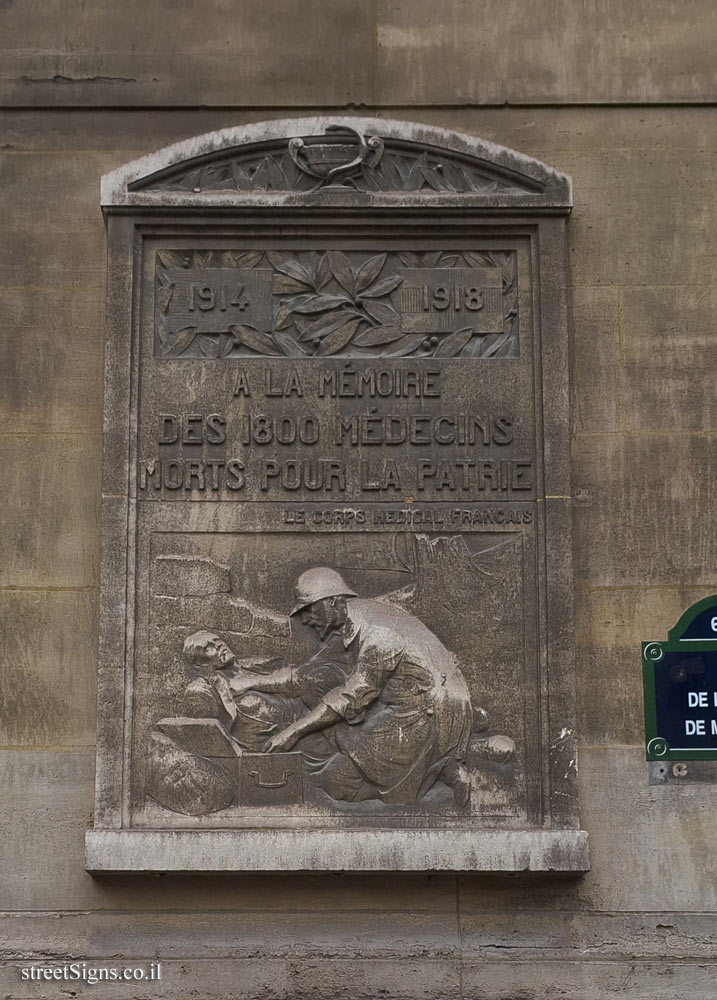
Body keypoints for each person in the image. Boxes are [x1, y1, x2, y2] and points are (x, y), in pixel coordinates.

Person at [230, 568, 474, 806]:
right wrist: (252, 681)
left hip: (427, 717)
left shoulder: (379, 635)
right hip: (399, 707)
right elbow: (304, 675)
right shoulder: (348, 621)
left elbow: (353, 696)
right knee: (317, 681)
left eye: (309, 609)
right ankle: (419, 769)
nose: (305, 619)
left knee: (336, 781)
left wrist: (293, 731)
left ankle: (438, 770)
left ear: (334, 602)